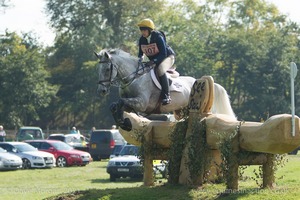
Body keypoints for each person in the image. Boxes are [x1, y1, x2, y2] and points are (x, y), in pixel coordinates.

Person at [137, 18, 175, 105]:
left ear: (150, 30)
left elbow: (163, 53)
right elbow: (140, 53)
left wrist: (153, 61)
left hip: (167, 57)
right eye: (141, 30)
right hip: (156, 60)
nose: (143, 32)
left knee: (160, 69)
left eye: (144, 30)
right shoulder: (142, 39)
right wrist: (140, 59)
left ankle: (166, 95)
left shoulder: (158, 37)